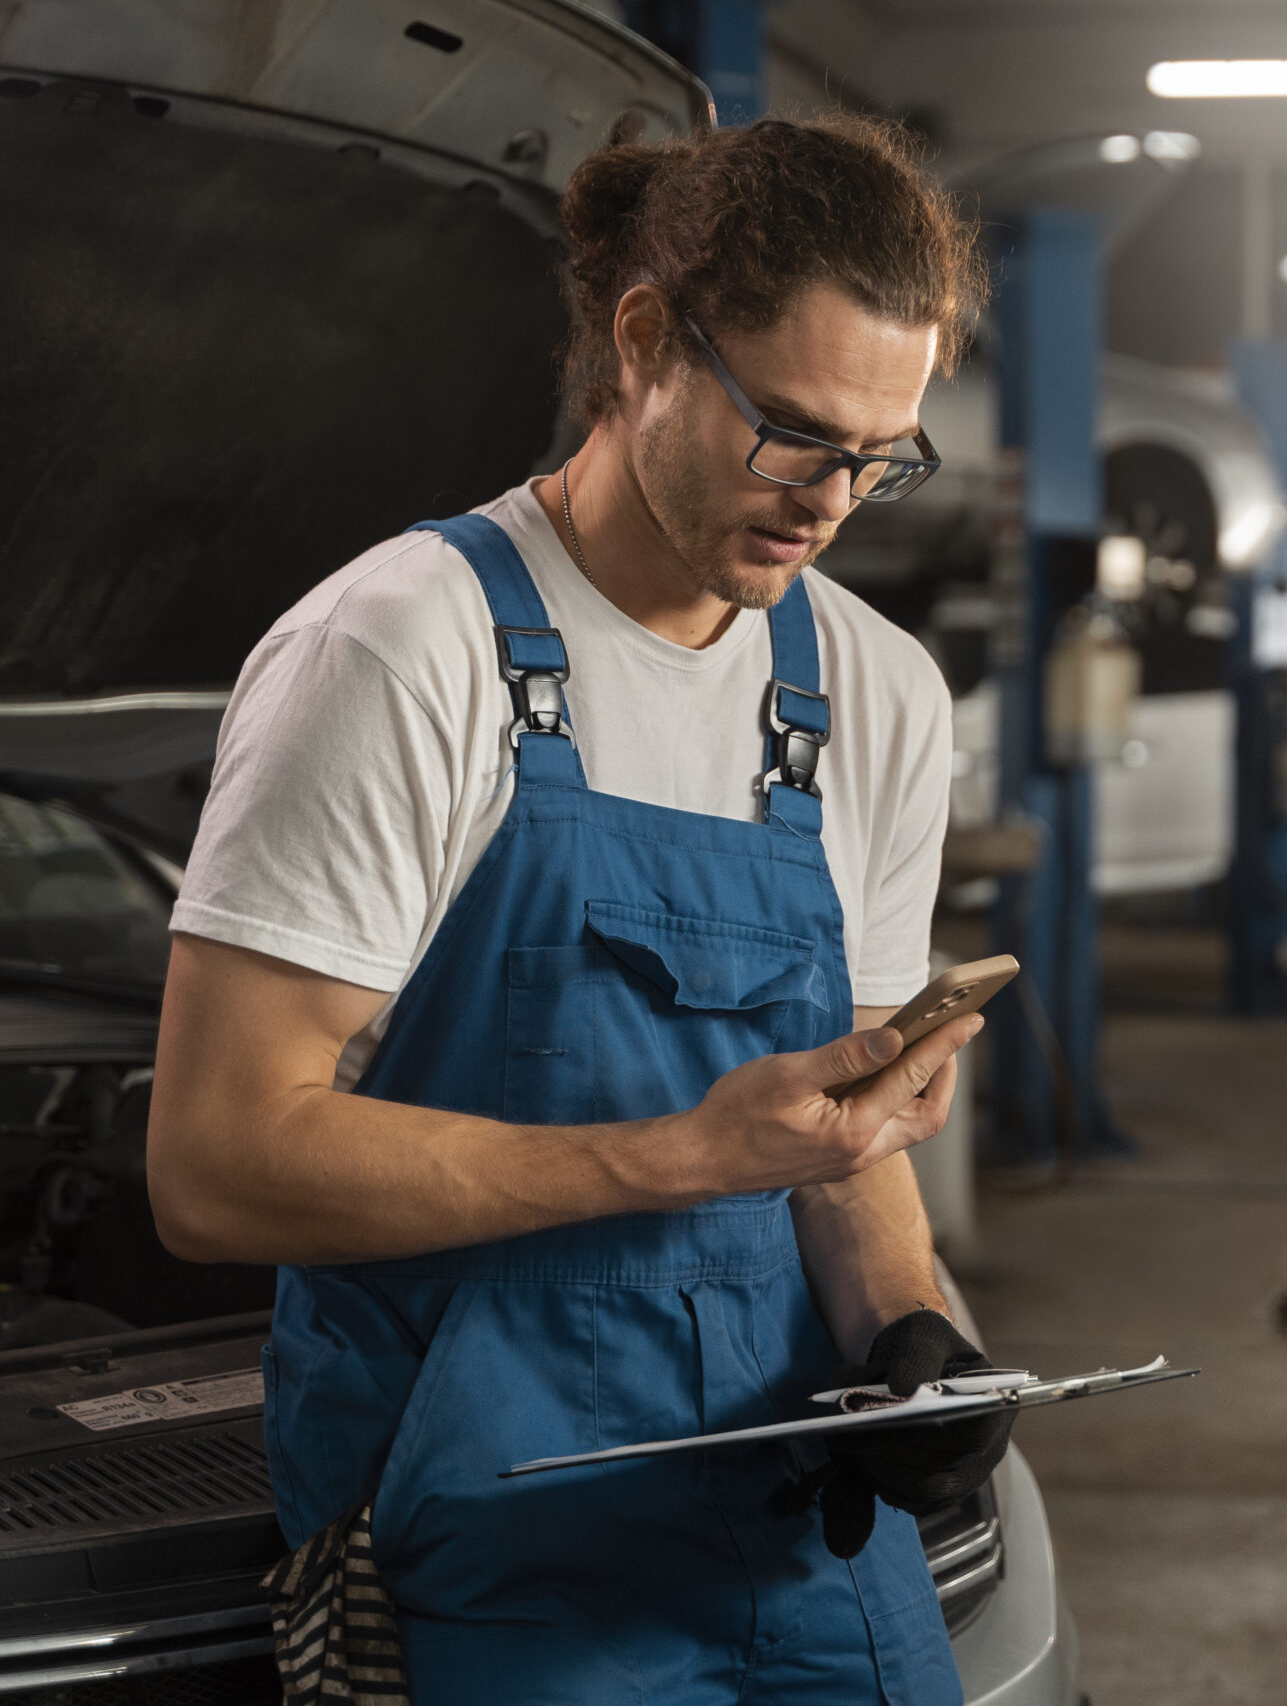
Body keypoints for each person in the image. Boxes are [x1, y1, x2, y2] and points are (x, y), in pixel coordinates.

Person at [148, 114, 1000, 1705]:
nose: (832, 502)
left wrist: (909, 1333)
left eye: (881, 459)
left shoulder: (876, 691)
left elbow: (847, 1140)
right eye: (795, 434)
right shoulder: (405, 651)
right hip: (491, 1530)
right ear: (644, 342)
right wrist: (682, 1158)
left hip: (798, 1520)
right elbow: (214, 1163)